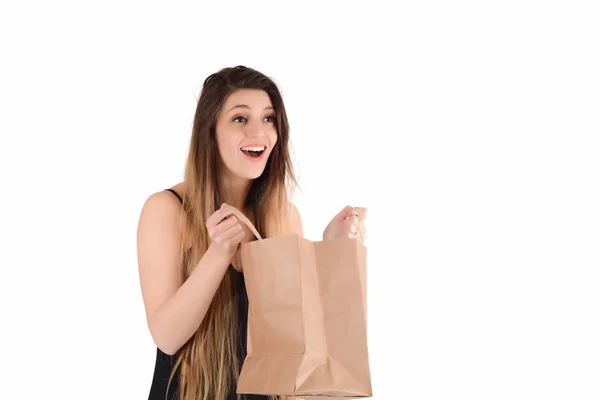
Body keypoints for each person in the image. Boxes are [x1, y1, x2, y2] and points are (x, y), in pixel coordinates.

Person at [136, 65, 367, 400]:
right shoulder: (167, 209)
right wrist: (218, 254)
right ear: (209, 131)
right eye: (240, 119)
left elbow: (299, 339)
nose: (259, 132)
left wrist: (328, 252)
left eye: (269, 118)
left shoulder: (285, 216)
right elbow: (167, 337)